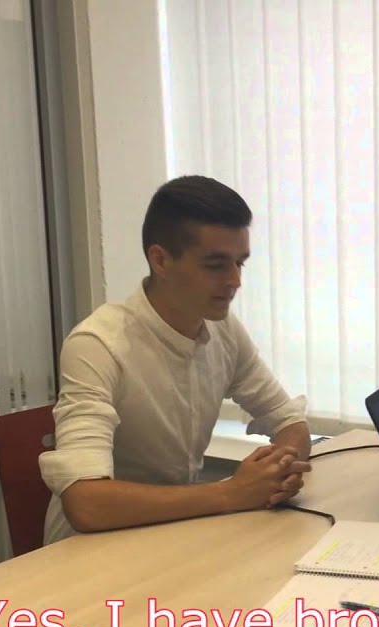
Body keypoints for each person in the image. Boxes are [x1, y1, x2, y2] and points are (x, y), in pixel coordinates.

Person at [37, 176, 312, 545]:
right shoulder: (98, 344)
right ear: (161, 260)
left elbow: (289, 421)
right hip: (86, 551)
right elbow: (86, 503)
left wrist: (277, 473)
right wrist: (232, 493)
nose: (235, 281)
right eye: (216, 265)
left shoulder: (223, 328)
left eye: (240, 264)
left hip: (173, 533)